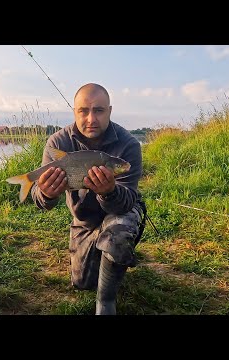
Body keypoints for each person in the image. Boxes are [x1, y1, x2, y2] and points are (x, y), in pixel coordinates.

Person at [31, 83, 145, 315]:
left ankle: (106, 302)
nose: (91, 118)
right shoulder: (58, 143)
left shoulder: (129, 144)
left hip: (119, 215)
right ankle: (107, 254)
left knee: (119, 233)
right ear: (74, 112)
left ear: (110, 111)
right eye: (84, 110)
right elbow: (39, 199)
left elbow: (128, 200)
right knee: (83, 282)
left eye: (99, 110)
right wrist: (47, 193)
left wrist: (108, 191)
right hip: (84, 220)